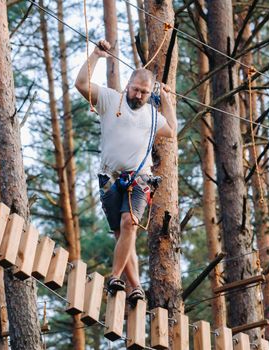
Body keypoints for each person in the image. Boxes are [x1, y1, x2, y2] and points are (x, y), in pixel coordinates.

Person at [75, 39, 177, 304]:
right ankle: (135, 287)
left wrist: (165, 99)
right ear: (127, 86)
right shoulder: (111, 99)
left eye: (144, 92)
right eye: (135, 90)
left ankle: (114, 277)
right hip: (108, 178)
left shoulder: (152, 116)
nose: (139, 96)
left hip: (139, 178)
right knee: (122, 234)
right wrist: (96, 55)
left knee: (129, 223)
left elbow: (171, 130)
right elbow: (81, 84)